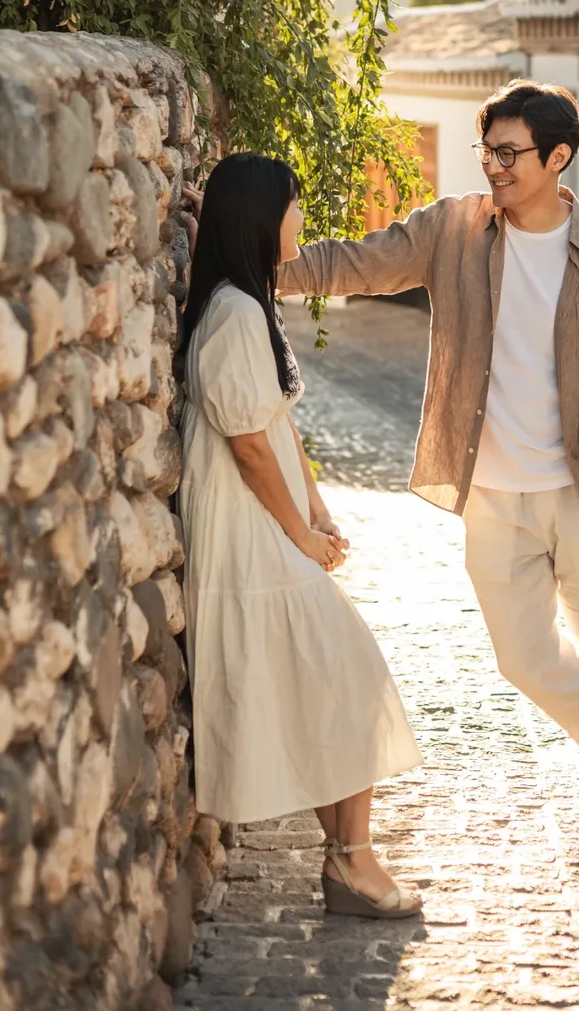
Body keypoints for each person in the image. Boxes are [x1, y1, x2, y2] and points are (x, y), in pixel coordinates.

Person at [183, 82, 579, 874]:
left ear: (558, 157)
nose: (494, 167)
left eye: (510, 153)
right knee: (524, 660)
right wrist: (248, 250)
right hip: (493, 493)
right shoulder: (455, 230)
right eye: (487, 151)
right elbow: (357, 264)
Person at [178, 152, 422, 918]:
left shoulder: (249, 304)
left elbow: (275, 424)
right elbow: (249, 447)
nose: (301, 219)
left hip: (272, 528)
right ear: (259, 218)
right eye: (292, 205)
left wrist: (316, 508)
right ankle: (352, 860)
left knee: (333, 687)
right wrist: (300, 537)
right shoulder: (235, 313)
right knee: (350, 678)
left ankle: (349, 861)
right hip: (249, 537)